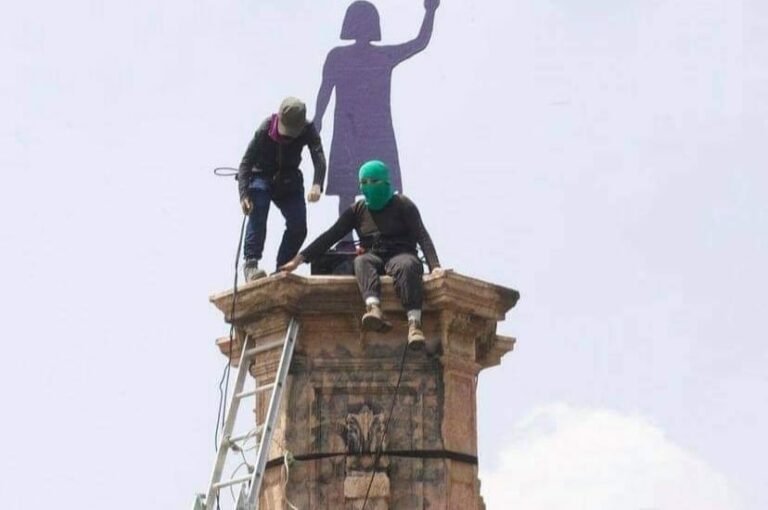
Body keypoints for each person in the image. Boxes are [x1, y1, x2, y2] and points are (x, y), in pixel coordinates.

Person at [313, 0, 440, 244]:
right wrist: (317, 120)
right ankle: (347, 240)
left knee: (370, 188)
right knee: (347, 191)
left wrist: (430, 11)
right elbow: (324, 91)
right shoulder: (340, 57)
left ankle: (380, 235)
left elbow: (419, 42)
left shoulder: (375, 56)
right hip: (351, 130)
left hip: (373, 130)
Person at [280, 160, 442, 346]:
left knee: (408, 266)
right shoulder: (358, 210)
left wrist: (435, 267)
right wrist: (299, 260)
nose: (368, 187)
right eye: (363, 183)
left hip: (401, 254)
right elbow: (331, 236)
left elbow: (422, 236)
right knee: (361, 262)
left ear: (385, 182)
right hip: (374, 256)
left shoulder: (403, 205)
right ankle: (373, 308)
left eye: (373, 181)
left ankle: (414, 324)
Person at [238, 97, 327, 281]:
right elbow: (246, 163)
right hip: (261, 176)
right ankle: (251, 264)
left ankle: (282, 269)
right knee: (259, 206)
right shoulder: (266, 128)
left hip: (289, 180)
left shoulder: (308, 129)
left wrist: (317, 184)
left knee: (299, 225)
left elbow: (319, 158)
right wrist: (244, 194)